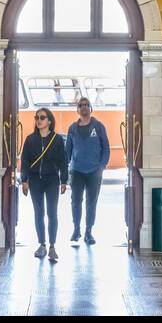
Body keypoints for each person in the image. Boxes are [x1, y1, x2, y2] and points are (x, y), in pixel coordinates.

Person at [19, 106, 68, 262]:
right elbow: (25, 161)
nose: (38, 120)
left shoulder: (57, 140)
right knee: (38, 213)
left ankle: (52, 246)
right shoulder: (30, 139)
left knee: (52, 213)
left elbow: (63, 162)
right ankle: (42, 245)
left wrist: (64, 181)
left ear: (49, 121)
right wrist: (24, 180)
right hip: (35, 181)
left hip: (52, 180)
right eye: (37, 117)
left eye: (42, 117)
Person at [66, 97, 110, 245]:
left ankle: (88, 231)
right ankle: (76, 229)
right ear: (77, 110)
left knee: (91, 202)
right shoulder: (72, 128)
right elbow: (68, 151)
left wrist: (101, 166)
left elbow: (106, 147)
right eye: (81, 105)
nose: (84, 107)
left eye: (86, 105)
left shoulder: (98, 126)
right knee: (75, 201)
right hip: (76, 171)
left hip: (94, 172)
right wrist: (64, 171)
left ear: (91, 108)